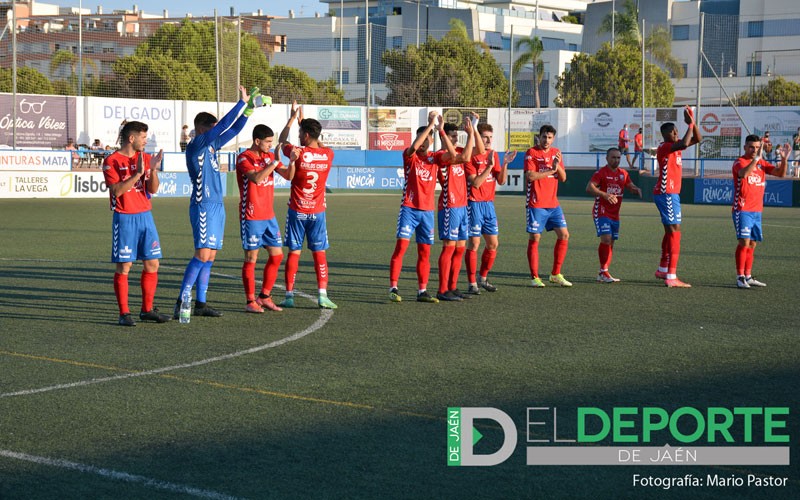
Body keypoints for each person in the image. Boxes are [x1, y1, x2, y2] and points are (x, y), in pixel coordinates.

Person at [174, 85, 260, 319]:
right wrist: (241, 102)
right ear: (200, 129)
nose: (214, 132)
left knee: (210, 256)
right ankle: (182, 301)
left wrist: (249, 110)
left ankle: (201, 303)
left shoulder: (211, 146)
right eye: (210, 129)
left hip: (216, 206)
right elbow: (223, 126)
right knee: (201, 254)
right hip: (203, 205)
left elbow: (233, 131)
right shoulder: (197, 144)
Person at [101, 121, 171, 326]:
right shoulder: (111, 160)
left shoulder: (146, 158)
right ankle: (124, 314)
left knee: (152, 263)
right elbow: (116, 191)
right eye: (143, 137)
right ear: (132, 138)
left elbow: (154, 189)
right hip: (124, 218)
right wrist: (138, 173)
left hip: (145, 216)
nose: (146, 141)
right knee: (124, 266)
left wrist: (153, 170)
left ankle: (147, 310)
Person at [276, 101, 337, 309]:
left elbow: (281, 140)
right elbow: (318, 144)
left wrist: (293, 118)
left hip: (297, 211)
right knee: (319, 253)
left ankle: (289, 295)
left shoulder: (297, 152)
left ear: (306, 135)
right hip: (317, 212)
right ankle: (322, 295)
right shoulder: (328, 154)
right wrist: (304, 123)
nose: (299, 136)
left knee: (294, 252)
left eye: (301, 133)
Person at [236, 124, 293, 313]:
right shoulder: (244, 158)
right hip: (251, 215)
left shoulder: (269, 157)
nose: (270, 145)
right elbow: (257, 178)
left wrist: (291, 162)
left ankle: (264, 296)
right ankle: (249, 301)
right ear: (257, 141)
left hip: (269, 215)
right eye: (268, 142)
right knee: (251, 257)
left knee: (277, 256)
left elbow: (288, 175)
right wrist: (275, 163)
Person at [388, 111, 441, 304]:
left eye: (428, 139)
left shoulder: (435, 159)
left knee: (424, 253)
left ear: (432, 142)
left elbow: (450, 155)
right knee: (401, 247)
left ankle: (422, 291)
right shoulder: (410, 157)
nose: (424, 142)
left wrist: (438, 129)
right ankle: (393, 287)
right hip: (409, 209)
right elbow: (413, 148)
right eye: (421, 139)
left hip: (427, 212)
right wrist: (429, 125)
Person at [464, 122, 515, 294]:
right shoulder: (470, 156)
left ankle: (482, 278)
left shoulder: (493, 154)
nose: (488, 140)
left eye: (490, 137)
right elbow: (476, 183)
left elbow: (501, 181)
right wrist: (489, 166)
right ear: (478, 136)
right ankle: (472, 283)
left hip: (489, 205)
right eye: (485, 137)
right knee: (474, 243)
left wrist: (505, 163)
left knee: (493, 244)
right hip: (473, 203)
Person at [732, 135, 789, 289]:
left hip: (757, 210)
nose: (754, 150)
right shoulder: (739, 162)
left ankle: (748, 276)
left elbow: (780, 174)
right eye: (751, 147)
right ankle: (740, 277)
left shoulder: (762, 164)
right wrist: (756, 159)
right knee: (743, 242)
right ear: (745, 147)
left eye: (757, 147)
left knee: (752, 244)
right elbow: (743, 174)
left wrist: (784, 160)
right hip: (742, 209)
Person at [653, 105, 701, 288]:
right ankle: (671, 276)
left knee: (669, 231)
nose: (677, 133)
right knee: (675, 232)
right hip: (667, 193)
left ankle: (663, 268)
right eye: (676, 131)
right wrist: (690, 124)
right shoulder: (666, 147)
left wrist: (693, 124)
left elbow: (698, 138)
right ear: (672, 132)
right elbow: (685, 143)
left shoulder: (674, 146)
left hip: (668, 193)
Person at [585, 148, 642, 283]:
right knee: (606, 239)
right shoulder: (601, 173)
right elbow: (589, 187)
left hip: (615, 214)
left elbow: (630, 185)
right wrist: (605, 194)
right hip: (602, 211)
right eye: (613, 157)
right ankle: (604, 272)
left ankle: (602, 271)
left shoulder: (623, 173)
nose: (616, 160)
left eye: (618, 158)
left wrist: (636, 189)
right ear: (607, 158)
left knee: (611, 243)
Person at [434, 115, 475, 301]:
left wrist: (472, 129)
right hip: (449, 205)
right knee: (449, 248)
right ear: (444, 137)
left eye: (456, 136)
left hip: (462, 205)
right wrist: (441, 131)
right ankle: (442, 290)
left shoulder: (457, 150)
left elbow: (473, 153)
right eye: (452, 136)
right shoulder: (440, 156)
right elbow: (457, 156)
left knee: (460, 248)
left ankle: (452, 286)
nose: (455, 139)